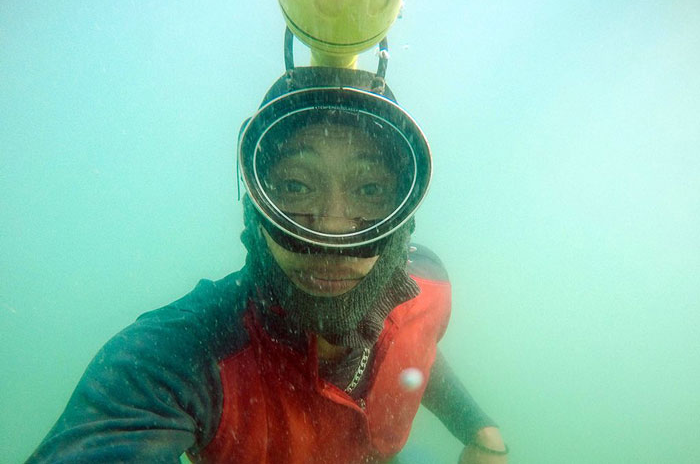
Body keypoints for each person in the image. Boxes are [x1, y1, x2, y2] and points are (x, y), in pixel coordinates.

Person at [26, 35, 507, 464]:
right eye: (295, 185)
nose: (331, 237)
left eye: (370, 190)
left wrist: (480, 430)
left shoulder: (426, 284)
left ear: (404, 217)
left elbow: (417, 346)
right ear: (255, 208)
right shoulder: (181, 355)